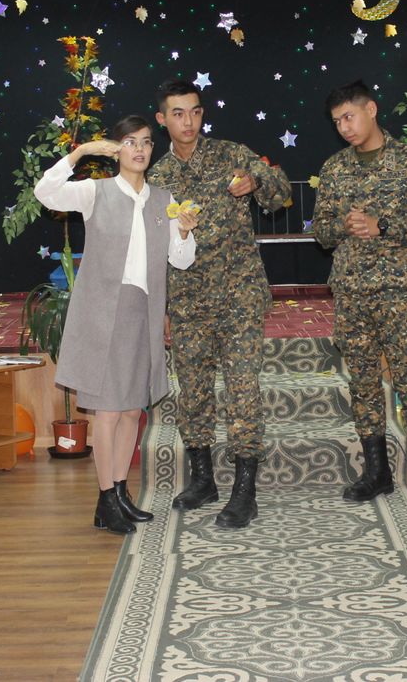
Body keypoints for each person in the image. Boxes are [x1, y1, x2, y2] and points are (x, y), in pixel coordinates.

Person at [34, 115, 197, 534]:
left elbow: (181, 260)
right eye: (130, 142)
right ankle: (106, 497)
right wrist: (81, 152)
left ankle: (120, 492)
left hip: (143, 312)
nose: (139, 149)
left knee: (129, 410)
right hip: (102, 314)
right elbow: (45, 192)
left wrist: (184, 232)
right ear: (116, 149)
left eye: (146, 142)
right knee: (107, 411)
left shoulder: (165, 199)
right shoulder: (96, 191)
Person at [147, 80, 290, 530]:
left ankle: (244, 491)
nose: (188, 122)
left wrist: (257, 181)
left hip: (238, 295)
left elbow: (280, 191)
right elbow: (155, 250)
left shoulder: (232, 155)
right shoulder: (156, 179)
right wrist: (163, 307)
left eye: (194, 111)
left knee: (243, 390)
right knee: (193, 393)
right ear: (162, 120)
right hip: (187, 301)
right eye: (177, 114)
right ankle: (203, 479)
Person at [312, 80, 407, 520]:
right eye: (337, 121)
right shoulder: (334, 168)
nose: (344, 127)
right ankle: (376, 472)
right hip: (352, 292)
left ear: (371, 109)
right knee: (363, 385)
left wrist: (384, 225)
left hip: (399, 293)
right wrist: (342, 225)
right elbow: (320, 231)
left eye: (349, 116)